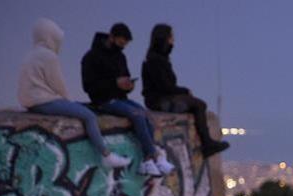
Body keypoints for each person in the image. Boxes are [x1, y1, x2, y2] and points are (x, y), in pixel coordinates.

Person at [18, 18, 131, 170]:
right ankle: (106, 155)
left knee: (81, 109)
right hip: (42, 101)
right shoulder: (48, 56)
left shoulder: (32, 54)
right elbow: (58, 86)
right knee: (89, 116)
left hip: (31, 101)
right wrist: (70, 102)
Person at [80, 23, 174, 177]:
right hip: (103, 101)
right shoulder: (91, 57)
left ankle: (149, 161)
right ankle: (154, 157)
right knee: (136, 115)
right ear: (111, 37)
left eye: (125, 44)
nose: (122, 47)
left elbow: (125, 76)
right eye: (121, 43)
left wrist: (128, 86)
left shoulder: (120, 56)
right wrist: (114, 83)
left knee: (144, 114)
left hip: (120, 97)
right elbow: (88, 86)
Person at [142, 24, 229, 157]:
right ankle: (207, 144)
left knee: (197, 104)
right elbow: (165, 86)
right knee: (199, 105)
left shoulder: (159, 58)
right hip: (159, 101)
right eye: (171, 37)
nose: (173, 41)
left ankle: (207, 143)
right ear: (164, 38)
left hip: (160, 98)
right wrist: (184, 91)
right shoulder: (156, 60)